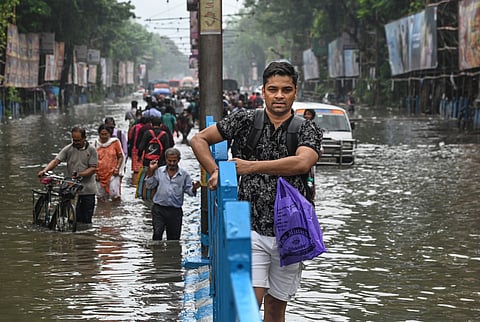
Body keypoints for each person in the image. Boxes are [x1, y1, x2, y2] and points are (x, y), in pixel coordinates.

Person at [190, 61, 323, 322]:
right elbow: (198, 139)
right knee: (249, 304)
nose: (279, 96)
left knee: (276, 309)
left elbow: (302, 162)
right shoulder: (245, 120)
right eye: (273, 89)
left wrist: (249, 167)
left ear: (295, 92)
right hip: (249, 227)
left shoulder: (307, 128)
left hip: (291, 231)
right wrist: (215, 171)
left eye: (286, 90)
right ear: (263, 91)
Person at [37, 127, 98, 224]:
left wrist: (79, 174)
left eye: (78, 140)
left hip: (87, 190)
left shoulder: (91, 150)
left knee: (86, 220)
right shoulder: (68, 149)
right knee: (72, 219)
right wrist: (45, 170)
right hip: (72, 188)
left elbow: (93, 168)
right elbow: (56, 161)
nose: (76, 142)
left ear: (84, 138)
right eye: (74, 140)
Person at [144, 148, 201, 240]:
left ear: (179, 160)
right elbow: (149, 185)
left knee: (174, 239)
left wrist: (194, 188)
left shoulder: (184, 175)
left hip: (175, 211)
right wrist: (150, 171)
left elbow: (189, 191)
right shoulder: (159, 171)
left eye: (174, 161)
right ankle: (157, 253)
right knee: (157, 234)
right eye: (169, 161)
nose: (172, 163)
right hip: (159, 209)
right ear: (166, 159)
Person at [94, 124, 124, 202]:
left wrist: (117, 168)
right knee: (100, 197)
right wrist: (95, 173)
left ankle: (115, 212)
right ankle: (102, 213)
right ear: (99, 134)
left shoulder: (115, 142)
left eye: (106, 134)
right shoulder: (96, 144)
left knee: (115, 196)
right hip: (99, 174)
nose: (103, 136)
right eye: (102, 134)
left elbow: (120, 156)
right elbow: (92, 159)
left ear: (110, 134)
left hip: (113, 173)